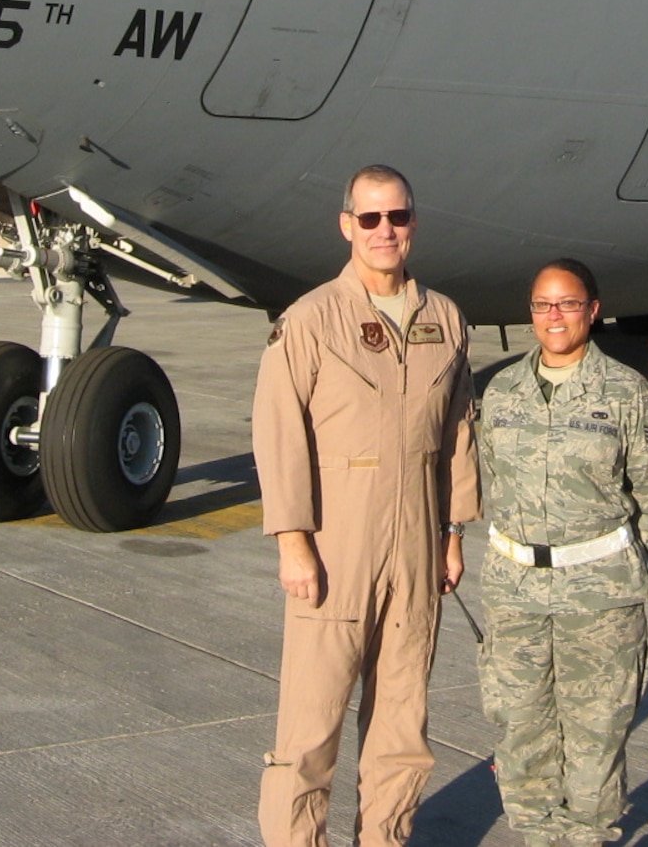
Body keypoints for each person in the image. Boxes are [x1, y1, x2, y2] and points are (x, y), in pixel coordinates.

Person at [251, 165, 479, 847]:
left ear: (414, 222)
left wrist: (452, 533)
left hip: (416, 544)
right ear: (348, 225)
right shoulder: (312, 319)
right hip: (335, 544)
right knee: (310, 729)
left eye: (399, 217)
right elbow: (278, 431)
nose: (387, 231)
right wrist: (293, 540)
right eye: (372, 219)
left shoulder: (445, 319)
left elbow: (457, 430)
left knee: (403, 728)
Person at [477, 259, 648, 847]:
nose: (555, 316)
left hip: (598, 601)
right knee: (520, 732)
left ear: (593, 310)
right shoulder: (502, 391)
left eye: (568, 303)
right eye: (543, 304)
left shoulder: (625, 392)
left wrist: (612, 565)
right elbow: (491, 475)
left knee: (594, 738)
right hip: (515, 596)